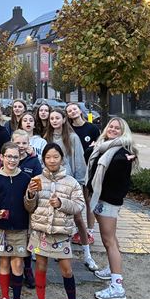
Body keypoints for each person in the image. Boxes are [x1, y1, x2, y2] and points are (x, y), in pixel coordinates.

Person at [24, 143, 87, 299]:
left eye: (55, 157)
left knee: (66, 269)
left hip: (61, 233)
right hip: (41, 231)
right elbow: (29, 207)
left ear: (62, 159)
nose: (52, 160)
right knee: (41, 266)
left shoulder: (72, 182)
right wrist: (30, 194)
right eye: (48, 157)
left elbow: (79, 206)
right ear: (43, 159)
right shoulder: (36, 179)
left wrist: (61, 203)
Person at [87, 118, 139, 299]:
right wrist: (94, 147)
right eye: (111, 126)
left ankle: (117, 287)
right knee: (112, 239)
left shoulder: (123, 152)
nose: (113, 129)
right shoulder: (105, 146)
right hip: (102, 198)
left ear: (124, 131)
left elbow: (121, 180)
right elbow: (91, 160)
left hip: (109, 201)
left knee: (109, 241)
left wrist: (126, 161)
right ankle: (111, 269)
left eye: (118, 128)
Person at [44, 109, 97, 271]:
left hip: (70, 182)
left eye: (57, 118)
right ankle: (56, 250)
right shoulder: (47, 138)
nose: (54, 121)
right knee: (55, 216)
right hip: (52, 182)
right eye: (51, 118)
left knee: (78, 218)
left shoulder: (72, 138)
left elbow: (79, 162)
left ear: (63, 119)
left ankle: (87, 253)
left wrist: (81, 183)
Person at [0, 142, 32, 299]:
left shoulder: (25, 179)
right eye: (8, 156)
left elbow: (30, 204)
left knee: (18, 264)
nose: (12, 160)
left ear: (20, 158)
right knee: (4, 263)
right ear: (2, 157)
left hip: (20, 228)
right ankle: (4, 298)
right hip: (2, 229)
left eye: (15, 157)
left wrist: (31, 195)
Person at [66, 102, 101, 245]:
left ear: (80, 111)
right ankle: (76, 231)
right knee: (74, 201)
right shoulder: (68, 130)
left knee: (88, 200)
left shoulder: (91, 128)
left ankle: (90, 231)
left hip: (89, 169)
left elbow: (99, 146)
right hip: (74, 170)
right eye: (69, 111)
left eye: (74, 109)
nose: (73, 112)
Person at [11, 130, 42, 289]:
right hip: (11, 203)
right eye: (18, 143)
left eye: (24, 143)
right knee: (12, 236)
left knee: (28, 238)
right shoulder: (8, 160)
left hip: (28, 205)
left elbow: (39, 182)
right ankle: (12, 270)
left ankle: (28, 268)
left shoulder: (33, 162)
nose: (21, 146)